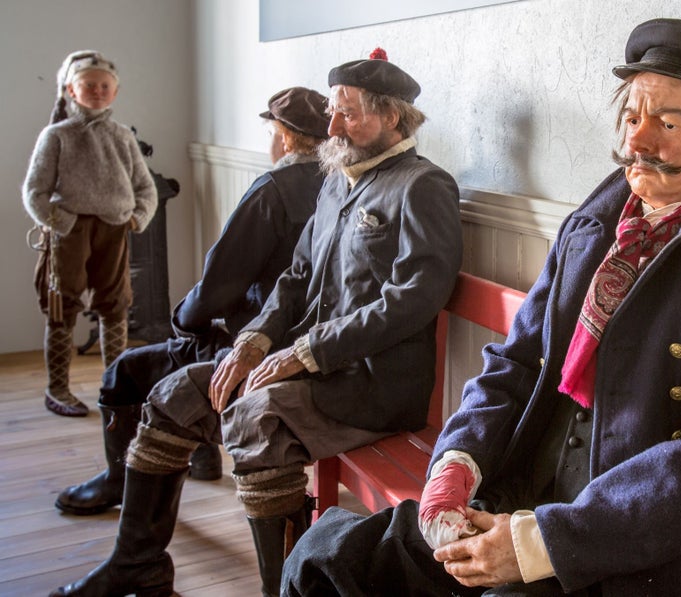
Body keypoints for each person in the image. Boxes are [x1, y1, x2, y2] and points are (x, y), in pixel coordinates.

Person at [283, 19, 681, 597]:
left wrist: (536, 545)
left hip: (640, 546)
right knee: (330, 560)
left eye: (668, 123)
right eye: (631, 118)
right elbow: (516, 362)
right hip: (521, 485)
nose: (638, 140)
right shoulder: (592, 229)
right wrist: (457, 463)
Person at [49, 49, 463, 597]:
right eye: (333, 111)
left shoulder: (422, 186)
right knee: (174, 394)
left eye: (347, 112)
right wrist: (255, 339)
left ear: (391, 117)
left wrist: (304, 352)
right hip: (307, 368)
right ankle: (138, 566)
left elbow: (414, 297)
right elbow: (296, 275)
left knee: (255, 422)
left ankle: (286, 590)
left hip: (371, 387)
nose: (332, 124)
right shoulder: (338, 180)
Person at [52, 86, 331, 516]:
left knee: (125, 370)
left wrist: (181, 319)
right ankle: (198, 455)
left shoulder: (274, 189)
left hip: (261, 346)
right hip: (309, 346)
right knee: (191, 345)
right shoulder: (340, 186)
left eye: (272, 132)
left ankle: (119, 479)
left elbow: (220, 283)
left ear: (287, 137)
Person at [23, 50, 158, 417]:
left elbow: (145, 189)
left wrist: (134, 219)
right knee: (62, 307)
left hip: (114, 231)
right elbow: (34, 191)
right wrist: (62, 223)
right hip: (69, 234)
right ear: (71, 89)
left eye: (104, 87)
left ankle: (116, 386)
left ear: (114, 93)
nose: (97, 92)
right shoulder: (56, 136)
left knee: (115, 307)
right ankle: (58, 389)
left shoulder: (122, 137)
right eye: (89, 85)